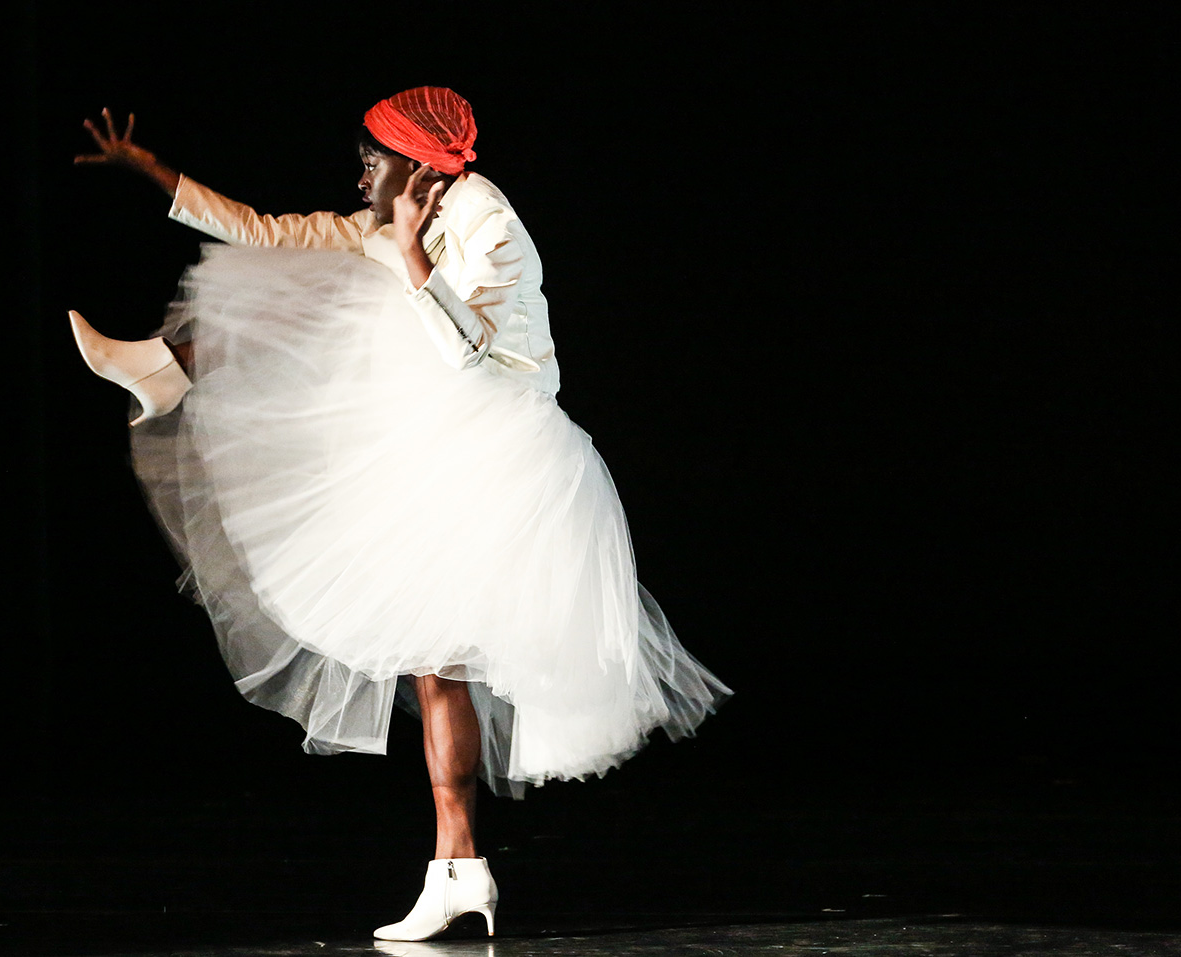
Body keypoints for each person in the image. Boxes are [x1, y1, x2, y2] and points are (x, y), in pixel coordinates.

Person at [70, 87, 731, 942]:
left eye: (373, 160)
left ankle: (167, 369)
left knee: (337, 313)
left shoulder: (489, 220)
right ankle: (459, 871)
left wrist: (413, 251)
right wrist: (152, 172)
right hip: (451, 445)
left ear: (417, 165)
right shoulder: (386, 222)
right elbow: (269, 231)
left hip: (511, 454)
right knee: (434, 662)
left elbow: (472, 353)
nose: (360, 174)